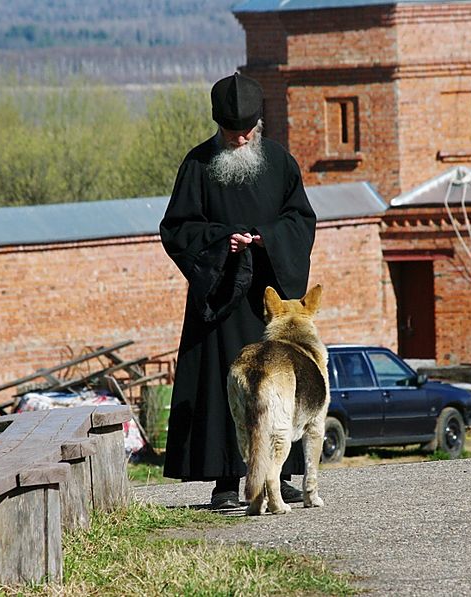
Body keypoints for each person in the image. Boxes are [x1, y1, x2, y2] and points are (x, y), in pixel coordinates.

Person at [159, 73, 317, 509]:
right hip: (219, 301)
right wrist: (220, 241)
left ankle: (277, 476)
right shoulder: (197, 165)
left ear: (259, 123)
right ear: (218, 126)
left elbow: (301, 221)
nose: (241, 138)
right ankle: (226, 481)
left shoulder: (281, 163)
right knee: (222, 388)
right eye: (232, 132)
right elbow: (176, 228)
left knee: (277, 389)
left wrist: (267, 238)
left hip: (267, 301)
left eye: (247, 130)